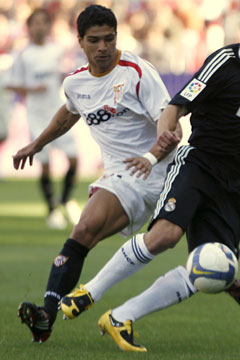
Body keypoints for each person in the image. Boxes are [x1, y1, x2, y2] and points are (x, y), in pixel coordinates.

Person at [61, 4, 240, 352]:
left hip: (232, 185)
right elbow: (175, 106)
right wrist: (160, 146)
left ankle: (121, 317)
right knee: (165, 236)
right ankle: (87, 293)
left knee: (211, 270)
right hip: (198, 165)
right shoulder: (224, 63)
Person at [13, 4, 182, 344]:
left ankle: (228, 277)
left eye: (109, 39)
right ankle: (47, 316)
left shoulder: (136, 71)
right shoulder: (76, 83)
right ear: (80, 41)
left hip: (164, 171)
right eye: (94, 41)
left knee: (197, 248)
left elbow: (168, 119)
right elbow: (69, 112)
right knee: (84, 229)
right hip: (122, 178)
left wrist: (155, 152)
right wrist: (37, 144)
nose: (103, 47)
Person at [6, 8, 81, 229]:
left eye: (43, 23)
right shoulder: (23, 55)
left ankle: (66, 200)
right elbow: (10, 84)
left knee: (74, 159)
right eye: (35, 23)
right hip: (36, 115)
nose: (39, 27)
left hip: (59, 112)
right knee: (45, 164)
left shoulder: (57, 51)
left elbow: (66, 74)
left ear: (49, 26)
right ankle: (51, 209)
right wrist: (32, 88)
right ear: (28, 27)